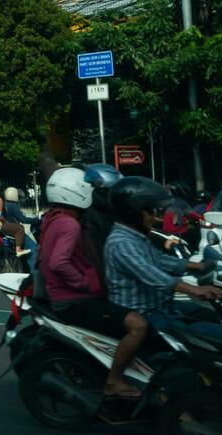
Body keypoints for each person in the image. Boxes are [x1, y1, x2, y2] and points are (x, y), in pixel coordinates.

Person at [37, 167, 148, 399]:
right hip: (76, 301)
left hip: (66, 298)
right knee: (138, 325)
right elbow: (59, 263)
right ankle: (114, 381)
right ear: (75, 191)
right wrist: (84, 283)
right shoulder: (70, 224)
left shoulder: (54, 218)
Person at [103, 176, 222, 345]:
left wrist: (196, 265)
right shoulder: (121, 242)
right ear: (133, 212)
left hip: (160, 305)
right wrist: (195, 290)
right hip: (143, 311)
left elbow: (159, 259)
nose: (156, 217)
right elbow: (152, 275)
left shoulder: (137, 236)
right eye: (151, 211)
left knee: (205, 315)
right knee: (191, 340)